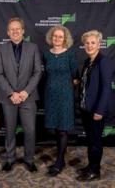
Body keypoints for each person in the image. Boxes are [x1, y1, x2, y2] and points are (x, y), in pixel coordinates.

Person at [0, 17, 42, 172]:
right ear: (8, 32)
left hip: (28, 97)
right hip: (8, 98)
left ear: (23, 30)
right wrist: (11, 93)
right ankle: (10, 158)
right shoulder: (1, 49)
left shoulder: (33, 47)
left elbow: (37, 72)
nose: (15, 31)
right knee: (9, 130)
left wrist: (25, 92)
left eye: (18, 28)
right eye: (12, 29)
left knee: (30, 130)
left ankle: (29, 159)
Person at [76, 30, 112, 181]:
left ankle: (95, 171)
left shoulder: (103, 61)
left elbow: (106, 87)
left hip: (96, 109)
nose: (89, 46)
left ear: (99, 44)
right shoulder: (87, 61)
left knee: (96, 141)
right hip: (86, 109)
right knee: (90, 140)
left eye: (93, 43)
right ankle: (91, 165)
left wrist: (100, 110)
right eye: (87, 43)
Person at [44, 25, 79, 176]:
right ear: (51, 38)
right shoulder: (47, 54)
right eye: (55, 36)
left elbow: (76, 77)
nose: (57, 39)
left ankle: (59, 161)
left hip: (65, 96)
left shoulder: (70, 54)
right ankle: (61, 159)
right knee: (57, 129)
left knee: (63, 129)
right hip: (51, 96)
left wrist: (67, 89)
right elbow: (45, 74)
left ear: (65, 39)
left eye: (60, 36)